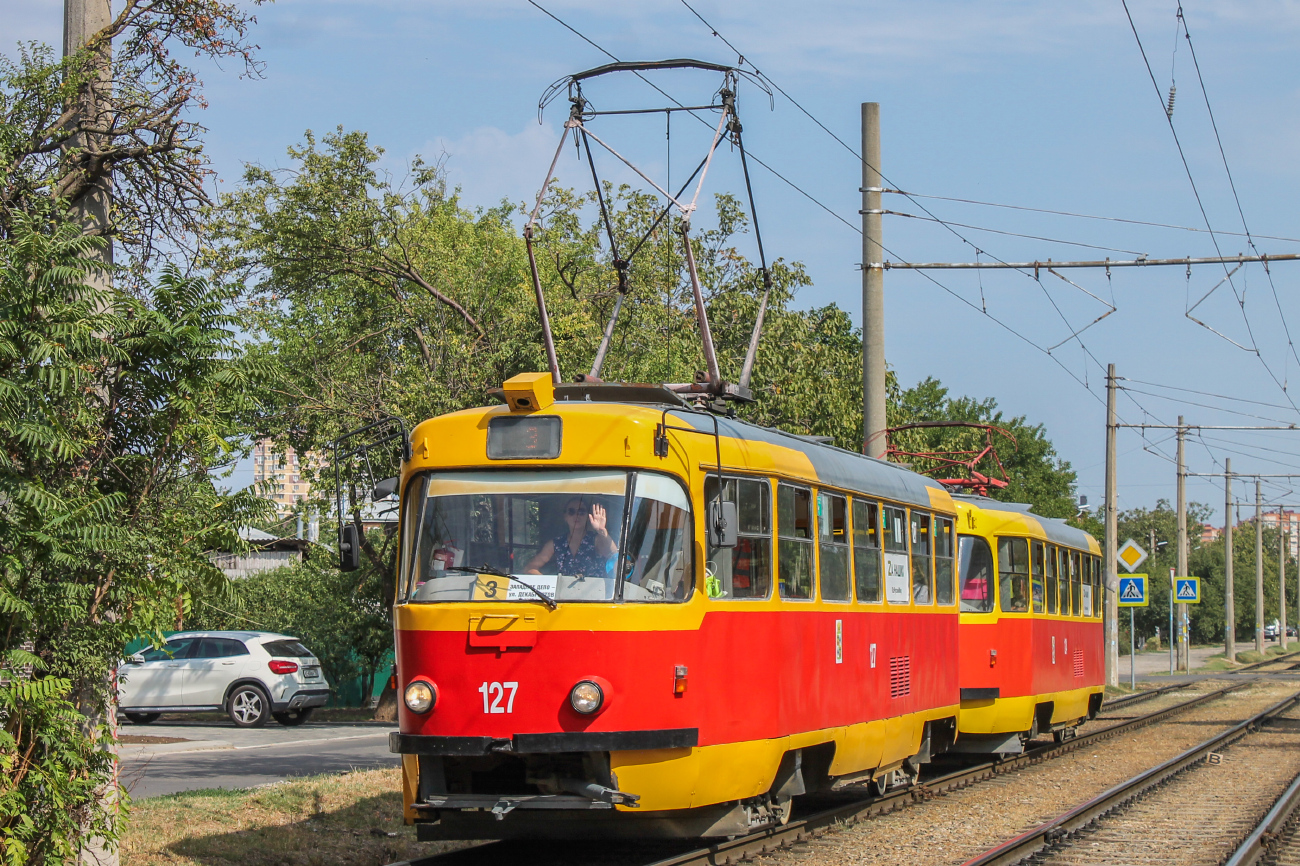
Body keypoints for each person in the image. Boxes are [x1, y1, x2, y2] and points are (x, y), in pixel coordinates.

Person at [524, 496, 617, 576]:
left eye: (581, 512)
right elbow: (530, 568)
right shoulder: (556, 543)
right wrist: (548, 584)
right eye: (571, 511)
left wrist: (602, 531)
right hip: (563, 592)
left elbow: (615, 557)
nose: (576, 515)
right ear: (565, 516)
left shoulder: (596, 540)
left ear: (588, 516)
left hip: (595, 591)